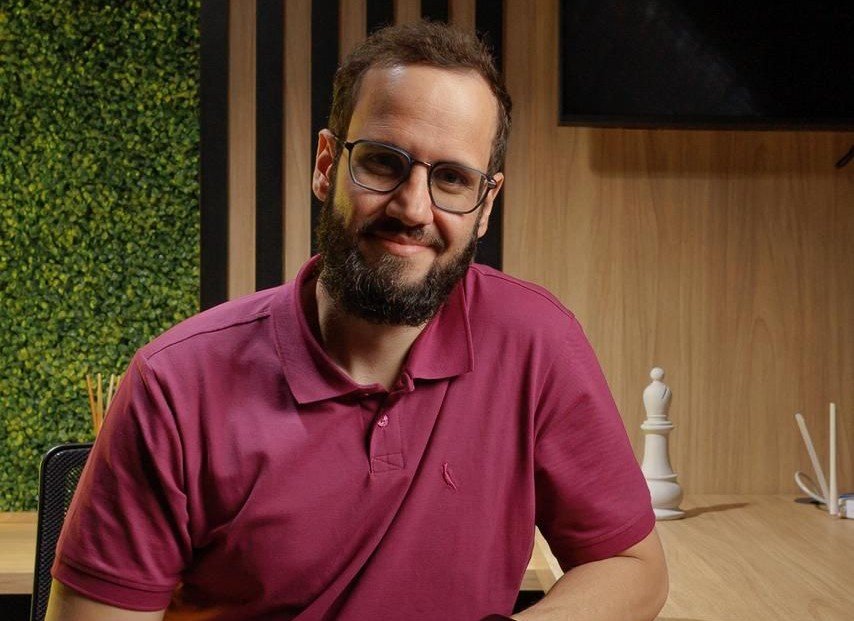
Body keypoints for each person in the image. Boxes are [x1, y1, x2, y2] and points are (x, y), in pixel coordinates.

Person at [46, 21, 667, 621]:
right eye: (382, 163)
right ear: (326, 165)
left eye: (452, 179)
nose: (413, 208)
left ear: (485, 205)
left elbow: (631, 565)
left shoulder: (537, 342)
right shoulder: (173, 385)